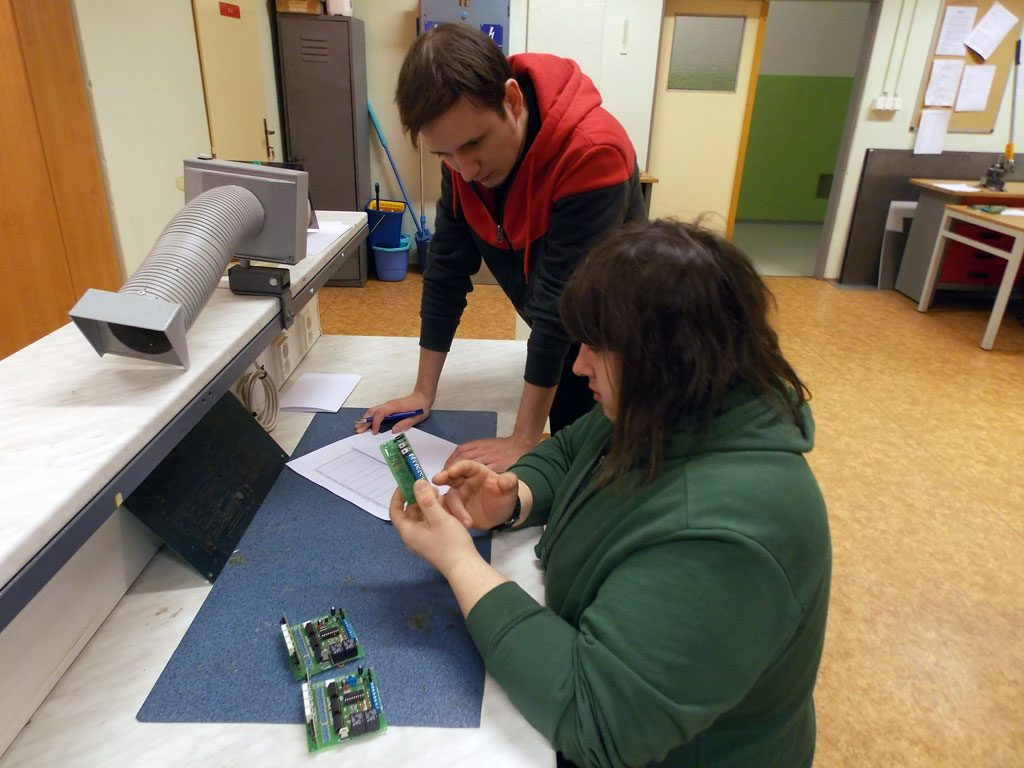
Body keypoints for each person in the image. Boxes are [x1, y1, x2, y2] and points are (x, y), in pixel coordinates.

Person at [389, 219, 832, 768]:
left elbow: (597, 718)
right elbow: (572, 449)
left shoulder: (732, 536)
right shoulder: (670, 403)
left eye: (598, 347)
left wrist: (459, 561)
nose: (578, 365)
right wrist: (515, 495)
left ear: (674, 356)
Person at [356, 23, 646, 472]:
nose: (465, 170)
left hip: (616, 335)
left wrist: (524, 437)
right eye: (443, 154)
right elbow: (446, 271)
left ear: (512, 100)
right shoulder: (462, 160)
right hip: (560, 332)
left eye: (474, 144)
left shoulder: (592, 151)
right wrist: (422, 392)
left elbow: (559, 306)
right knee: (561, 459)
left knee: (597, 466)